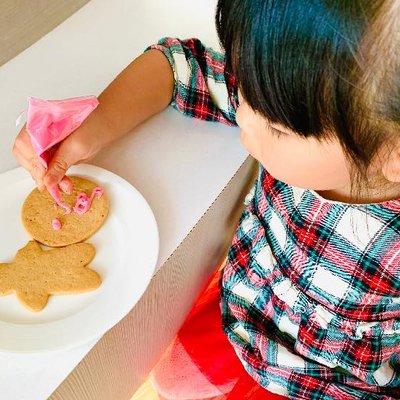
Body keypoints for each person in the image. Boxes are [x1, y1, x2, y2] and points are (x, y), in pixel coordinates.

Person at [13, 0, 400, 399]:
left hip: (332, 386)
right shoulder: (310, 103)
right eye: (246, 89)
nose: (244, 117)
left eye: (276, 127)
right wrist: (94, 123)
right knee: (168, 377)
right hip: (242, 312)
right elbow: (177, 65)